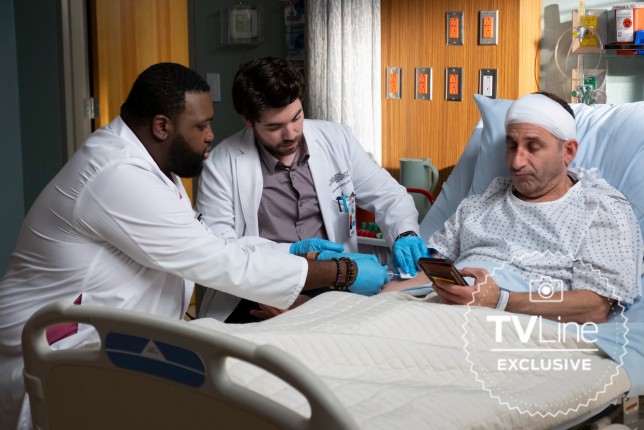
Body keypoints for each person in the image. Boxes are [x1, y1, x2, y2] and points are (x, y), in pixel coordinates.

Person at [0, 62, 388, 430]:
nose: (210, 135)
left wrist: (288, 251)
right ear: (162, 126)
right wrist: (342, 271)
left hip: (106, 343)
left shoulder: (149, 168)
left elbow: (207, 241)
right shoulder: (117, 174)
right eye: (201, 125)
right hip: (58, 347)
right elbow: (214, 260)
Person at [195, 57, 428, 322]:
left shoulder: (337, 139)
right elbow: (221, 249)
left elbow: (389, 195)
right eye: (275, 127)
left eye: (297, 117)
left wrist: (405, 233)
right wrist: (293, 252)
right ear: (248, 121)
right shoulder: (221, 164)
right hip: (261, 285)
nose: (291, 133)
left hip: (336, 280)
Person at [427, 91, 642, 324]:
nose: (516, 162)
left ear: (568, 151)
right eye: (512, 146)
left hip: (510, 323)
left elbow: (595, 307)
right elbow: (430, 269)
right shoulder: (479, 204)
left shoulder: (600, 210)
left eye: (533, 147)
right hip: (436, 308)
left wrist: (501, 300)